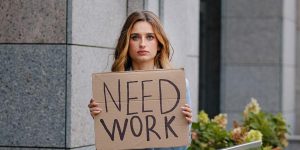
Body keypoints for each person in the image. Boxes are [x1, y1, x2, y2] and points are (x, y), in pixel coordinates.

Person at [88, 10, 192, 150]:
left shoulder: (179, 85)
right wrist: (102, 120)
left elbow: (180, 149)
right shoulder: (111, 88)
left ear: (159, 44)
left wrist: (185, 125)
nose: (142, 44)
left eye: (150, 37)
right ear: (126, 42)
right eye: (135, 37)